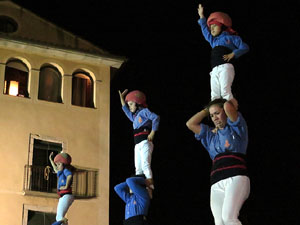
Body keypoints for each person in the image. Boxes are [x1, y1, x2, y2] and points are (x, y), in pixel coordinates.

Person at [186, 98, 250, 225]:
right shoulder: (210, 135)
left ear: (225, 112)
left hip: (236, 177)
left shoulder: (236, 128)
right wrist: (207, 109)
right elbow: (190, 124)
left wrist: (227, 101)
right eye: (211, 115)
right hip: (216, 182)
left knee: (229, 217)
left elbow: (227, 106)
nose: (214, 117)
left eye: (217, 113)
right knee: (219, 222)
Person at [197, 4, 249, 107]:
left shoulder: (232, 38)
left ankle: (232, 113)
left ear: (222, 26)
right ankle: (217, 115)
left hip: (225, 67)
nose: (211, 29)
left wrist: (233, 53)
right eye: (210, 27)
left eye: (214, 26)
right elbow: (204, 30)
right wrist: (201, 16)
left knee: (225, 92)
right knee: (214, 95)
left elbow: (245, 47)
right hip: (214, 70)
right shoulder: (213, 41)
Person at [118, 89, 160, 197]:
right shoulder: (134, 117)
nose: (130, 106)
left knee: (146, 164)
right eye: (129, 104)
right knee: (138, 168)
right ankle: (139, 188)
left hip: (145, 142)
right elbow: (126, 110)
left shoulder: (144, 112)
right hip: (137, 145)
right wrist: (122, 100)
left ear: (138, 103)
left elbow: (156, 117)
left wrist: (153, 132)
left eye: (131, 104)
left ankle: (150, 186)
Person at [49, 152, 75, 225]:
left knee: (59, 218)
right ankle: (64, 222)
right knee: (59, 217)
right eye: (57, 164)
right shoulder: (60, 173)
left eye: (59, 164)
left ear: (64, 165)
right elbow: (55, 168)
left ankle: (64, 222)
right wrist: (50, 160)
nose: (57, 166)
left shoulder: (65, 171)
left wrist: (66, 186)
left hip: (66, 196)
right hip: (64, 196)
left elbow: (69, 176)